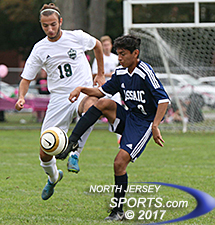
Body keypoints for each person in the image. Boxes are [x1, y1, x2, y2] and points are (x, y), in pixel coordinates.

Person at [56, 35, 170, 220]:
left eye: (123, 54)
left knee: (119, 164)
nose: (119, 58)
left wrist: (155, 126)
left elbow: (164, 100)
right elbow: (101, 92)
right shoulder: (120, 72)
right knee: (103, 103)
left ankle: (118, 211)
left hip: (143, 124)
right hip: (129, 117)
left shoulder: (145, 72)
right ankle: (72, 142)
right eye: (118, 54)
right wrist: (81, 89)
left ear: (135, 54)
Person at [15, 3, 105, 201]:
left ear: (60, 22)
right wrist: (21, 97)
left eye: (53, 24)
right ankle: (54, 177)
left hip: (82, 91)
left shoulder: (77, 37)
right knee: (45, 151)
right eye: (45, 26)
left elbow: (97, 45)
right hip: (58, 98)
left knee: (92, 107)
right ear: (41, 25)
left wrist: (99, 73)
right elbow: (26, 79)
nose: (50, 29)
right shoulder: (40, 48)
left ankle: (75, 152)